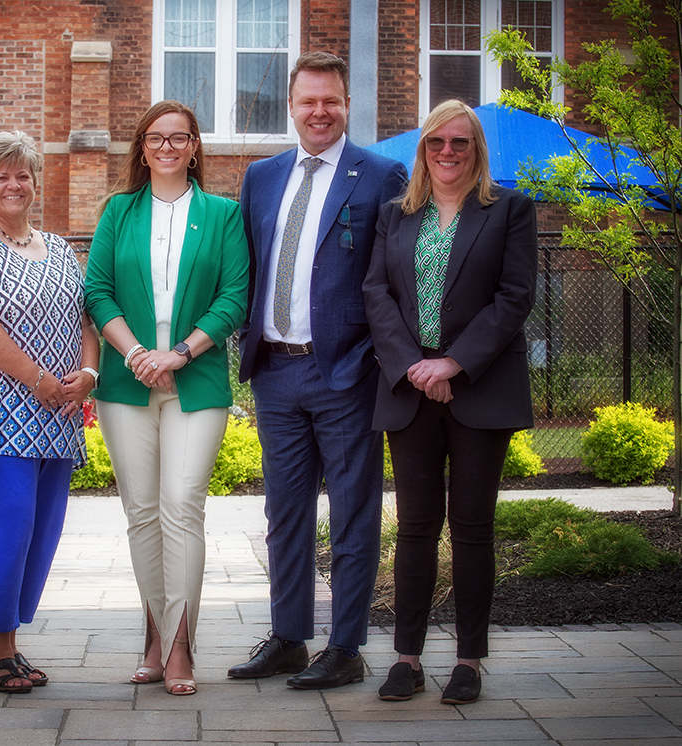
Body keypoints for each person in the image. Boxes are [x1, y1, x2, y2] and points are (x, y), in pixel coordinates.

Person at [230, 51, 407, 690]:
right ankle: (288, 638)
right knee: (285, 512)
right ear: (292, 105)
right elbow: (247, 265)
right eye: (308, 101)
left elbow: (395, 277)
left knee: (354, 513)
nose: (320, 112)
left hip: (348, 374)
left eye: (330, 100)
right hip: (276, 372)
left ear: (346, 104)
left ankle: (348, 646)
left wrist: (375, 358)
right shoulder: (261, 176)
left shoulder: (382, 176)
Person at [363, 100, 537, 705]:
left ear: (476, 150)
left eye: (459, 143)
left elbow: (514, 297)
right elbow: (376, 293)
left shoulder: (509, 210)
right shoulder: (396, 215)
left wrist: (453, 362)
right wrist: (415, 364)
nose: (446, 153)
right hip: (411, 390)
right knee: (413, 528)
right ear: (423, 150)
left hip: (479, 388)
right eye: (436, 143)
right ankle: (406, 659)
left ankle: (469, 661)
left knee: (471, 527)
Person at [84, 101, 249, 696]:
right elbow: (97, 291)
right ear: (143, 146)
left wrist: (178, 352)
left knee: (183, 505)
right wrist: (135, 354)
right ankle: (154, 636)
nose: (168, 147)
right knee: (142, 513)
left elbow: (233, 297)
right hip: (128, 383)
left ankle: (181, 645)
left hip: (195, 381)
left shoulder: (223, 214)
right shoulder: (119, 211)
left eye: (180, 138)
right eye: (156, 138)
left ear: (196, 146)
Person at [0, 130, 99, 694]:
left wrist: (88, 375)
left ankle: (9, 642)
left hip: (55, 416)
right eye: (1, 176)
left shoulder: (60, 249)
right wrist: (39, 380)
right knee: (5, 530)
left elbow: (85, 321)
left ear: (36, 182)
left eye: (22, 174)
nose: (14, 184)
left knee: (40, 534)